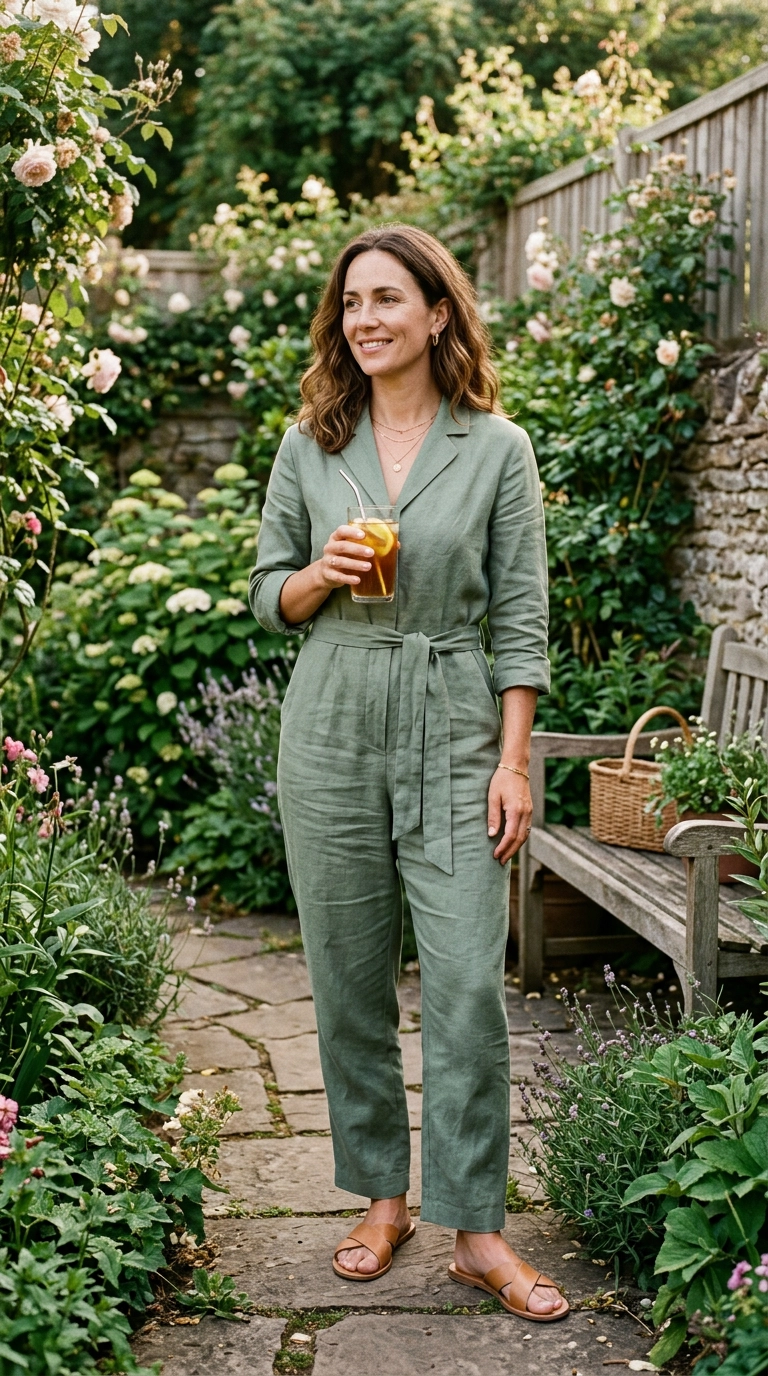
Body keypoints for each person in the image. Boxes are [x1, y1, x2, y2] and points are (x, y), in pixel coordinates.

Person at [249, 224, 567, 1321]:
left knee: (470, 984)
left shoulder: (496, 448)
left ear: (439, 314)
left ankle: (476, 1226)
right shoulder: (310, 443)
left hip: (452, 718)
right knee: (345, 975)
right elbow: (264, 594)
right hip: (331, 713)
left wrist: (514, 761)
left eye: (388, 299)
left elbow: (521, 618)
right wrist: (316, 577)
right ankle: (383, 1197)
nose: (366, 319)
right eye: (350, 304)